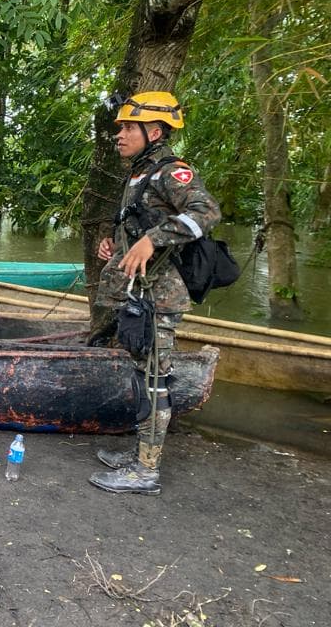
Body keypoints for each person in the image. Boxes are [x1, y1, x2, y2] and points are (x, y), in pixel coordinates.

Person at [89, 91, 221, 495]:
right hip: (141, 295)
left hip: (161, 296)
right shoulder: (139, 174)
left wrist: (152, 240)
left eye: (129, 127)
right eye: (121, 127)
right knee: (142, 373)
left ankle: (146, 471)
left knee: (153, 380)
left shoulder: (171, 171)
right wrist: (117, 244)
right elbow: (139, 224)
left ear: (156, 130)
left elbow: (206, 212)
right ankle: (139, 455)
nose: (120, 135)